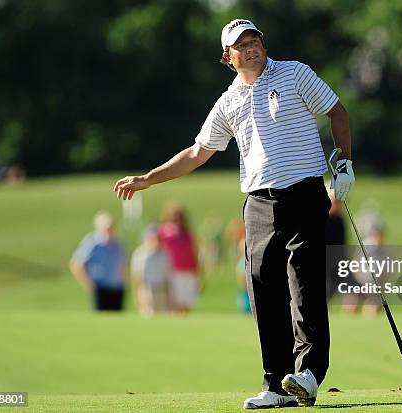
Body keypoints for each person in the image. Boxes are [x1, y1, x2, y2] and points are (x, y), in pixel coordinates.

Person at [112, 19, 354, 409]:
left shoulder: (296, 74)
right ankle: (276, 386)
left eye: (255, 40)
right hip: (258, 204)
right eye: (241, 45)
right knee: (263, 289)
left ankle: (307, 374)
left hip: (305, 194)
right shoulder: (229, 101)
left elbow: (337, 112)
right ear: (228, 57)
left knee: (303, 283)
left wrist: (344, 164)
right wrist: (148, 179)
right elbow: (197, 152)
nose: (251, 48)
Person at [70, 211, 126, 311]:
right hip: (100, 288)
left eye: (112, 227)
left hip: (117, 287)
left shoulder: (118, 243)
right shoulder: (92, 243)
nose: (110, 230)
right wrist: (88, 283)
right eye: (107, 228)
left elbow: (122, 264)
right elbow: (77, 264)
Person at [159, 203, 200, 313]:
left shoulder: (188, 234)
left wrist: (198, 274)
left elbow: (195, 254)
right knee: (175, 303)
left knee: (187, 302)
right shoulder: (163, 231)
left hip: (189, 272)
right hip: (173, 272)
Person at [131, 224, 172, 315]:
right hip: (147, 290)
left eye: (157, 238)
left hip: (162, 290)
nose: (155, 241)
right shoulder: (140, 253)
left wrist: (170, 294)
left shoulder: (165, 253)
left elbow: (168, 275)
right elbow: (137, 277)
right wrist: (138, 295)